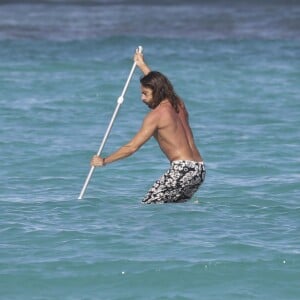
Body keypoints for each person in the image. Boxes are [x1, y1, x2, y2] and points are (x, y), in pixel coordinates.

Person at [90, 50, 206, 203]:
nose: (142, 98)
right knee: (171, 209)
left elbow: (132, 147)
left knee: (148, 206)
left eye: (145, 94)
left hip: (182, 170)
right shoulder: (178, 104)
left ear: (157, 92)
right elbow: (162, 86)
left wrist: (104, 161)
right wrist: (143, 66)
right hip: (199, 170)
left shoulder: (156, 115)